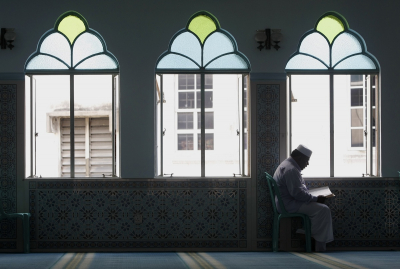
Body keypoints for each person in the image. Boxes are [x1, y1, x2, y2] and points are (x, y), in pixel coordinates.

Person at [273, 144, 334, 252]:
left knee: (321, 209)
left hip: (287, 202)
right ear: (299, 158)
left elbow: (297, 191)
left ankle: (309, 234)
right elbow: (297, 194)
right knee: (323, 210)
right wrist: (316, 199)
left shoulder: (287, 165)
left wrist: (312, 195)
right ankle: (312, 240)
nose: (307, 164)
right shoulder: (291, 169)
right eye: (306, 161)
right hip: (289, 205)